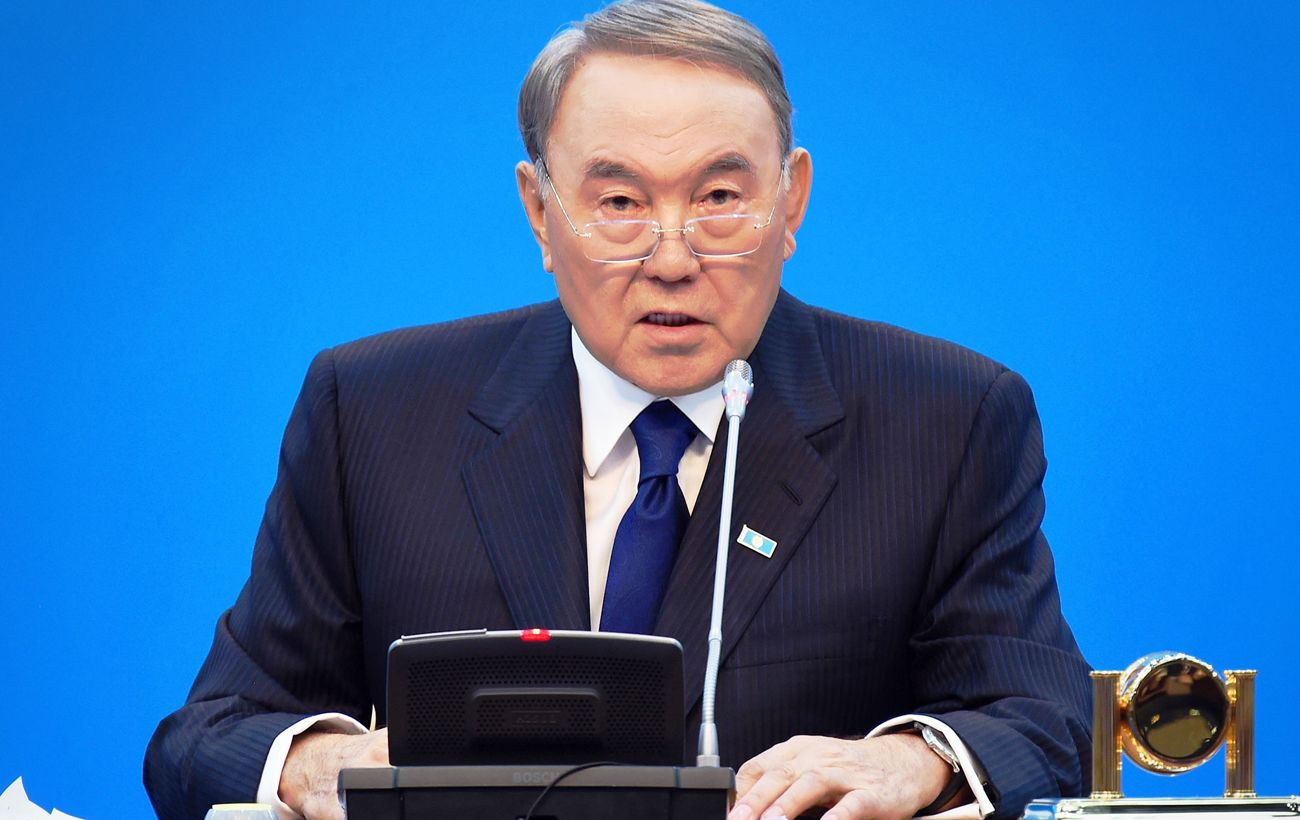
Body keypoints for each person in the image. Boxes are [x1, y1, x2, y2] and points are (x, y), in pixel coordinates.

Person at [144, 2, 1092, 818]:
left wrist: (914, 761)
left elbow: (1042, 723)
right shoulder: (373, 411)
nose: (673, 258)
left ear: (791, 200)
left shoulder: (949, 419)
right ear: (540, 211)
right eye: (620, 202)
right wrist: (317, 766)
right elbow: (210, 735)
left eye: (720, 197)